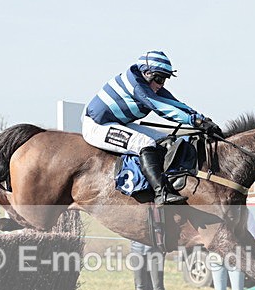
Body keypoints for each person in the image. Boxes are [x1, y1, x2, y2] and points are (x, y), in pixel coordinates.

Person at [82, 50, 221, 205]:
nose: (161, 84)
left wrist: (201, 119)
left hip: (118, 123)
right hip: (97, 126)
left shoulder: (148, 84)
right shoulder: (137, 86)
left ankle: (169, 180)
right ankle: (160, 193)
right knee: (145, 143)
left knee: (164, 139)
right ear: (147, 74)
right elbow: (162, 108)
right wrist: (194, 121)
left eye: (164, 79)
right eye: (159, 79)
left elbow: (175, 103)